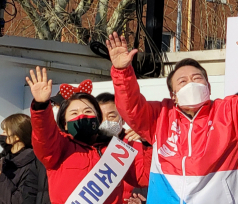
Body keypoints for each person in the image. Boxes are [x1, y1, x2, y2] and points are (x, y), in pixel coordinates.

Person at [106, 23, 238, 204]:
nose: (191, 83)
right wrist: (122, 72)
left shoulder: (228, 113)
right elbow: (131, 107)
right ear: (173, 95)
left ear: (208, 86)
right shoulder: (160, 116)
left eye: (197, 78)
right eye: (182, 81)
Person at [25, 68, 150, 204]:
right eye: (74, 113)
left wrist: (147, 143)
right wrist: (41, 106)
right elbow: (44, 135)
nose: (82, 115)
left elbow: (143, 177)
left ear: (97, 118)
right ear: (64, 123)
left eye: (88, 111)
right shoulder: (58, 148)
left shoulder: (118, 149)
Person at [0, 113, 49, 204]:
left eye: (5, 131)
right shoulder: (4, 161)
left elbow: (22, 200)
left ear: (17, 136)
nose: (1, 134)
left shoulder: (32, 163)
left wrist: (1, 180)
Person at [95, 93, 149, 202]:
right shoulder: (86, 149)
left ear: (122, 119)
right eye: (100, 117)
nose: (105, 121)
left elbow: (147, 182)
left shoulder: (138, 149)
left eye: (111, 116)